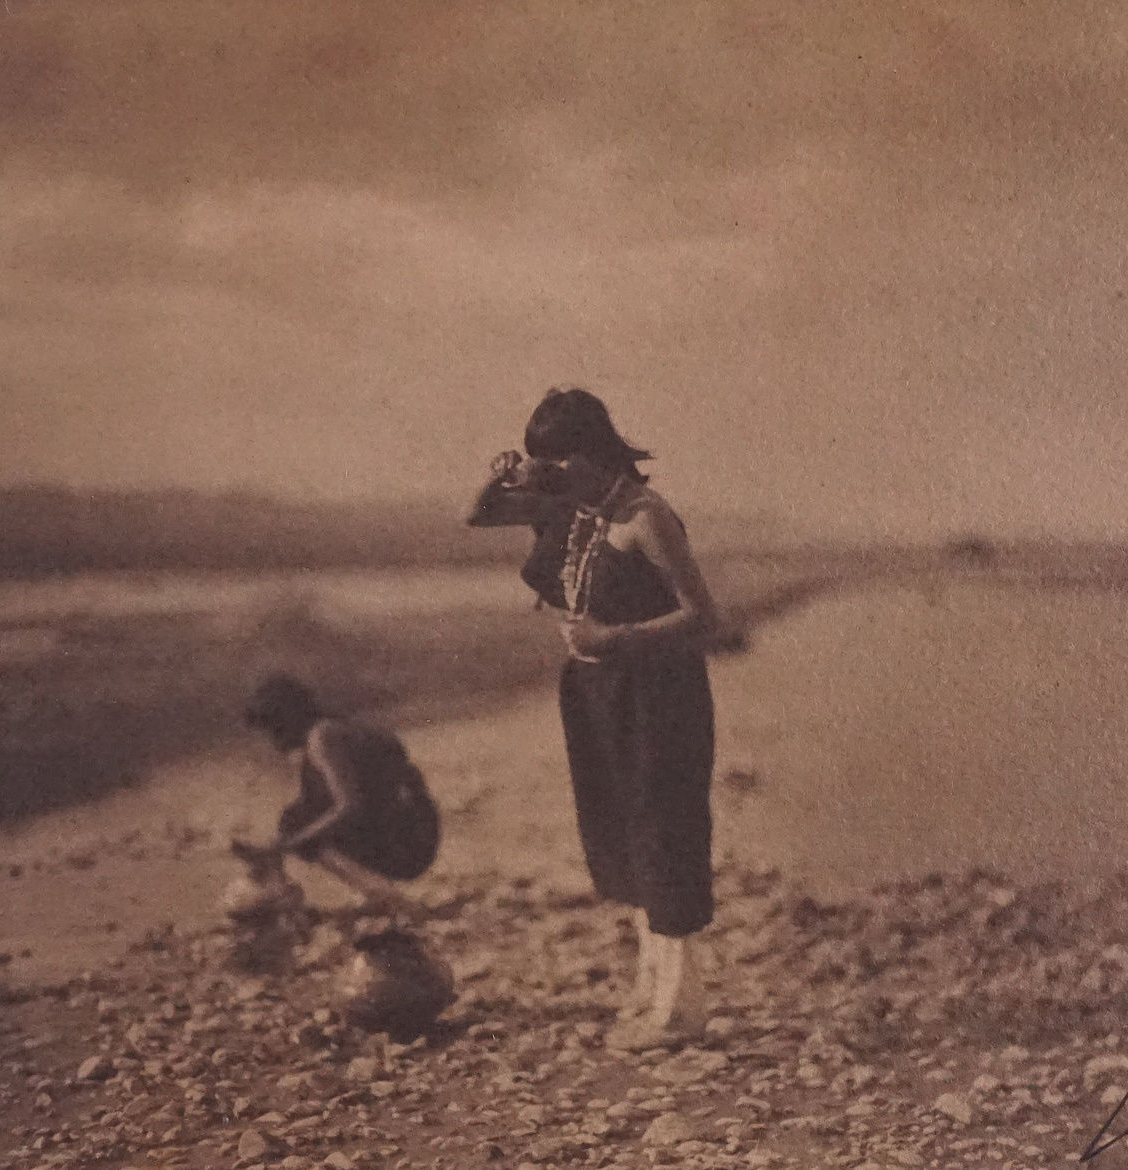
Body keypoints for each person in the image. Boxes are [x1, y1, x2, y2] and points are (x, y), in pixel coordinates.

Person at [467, 387, 743, 1050]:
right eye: (546, 467)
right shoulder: (578, 508)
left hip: (658, 693)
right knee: (620, 833)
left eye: (558, 464)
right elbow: (476, 515)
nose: (551, 478)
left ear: (592, 454)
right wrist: (500, 474)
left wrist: (610, 639)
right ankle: (654, 993)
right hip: (598, 694)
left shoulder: (645, 517)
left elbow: (704, 616)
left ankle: (680, 1011)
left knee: (662, 833)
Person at [229, 674, 440, 922]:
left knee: (297, 824)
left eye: (272, 731)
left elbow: (350, 806)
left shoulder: (322, 738)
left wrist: (290, 843)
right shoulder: (328, 731)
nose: (273, 742)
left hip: (408, 840)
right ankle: (278, 887)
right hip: (412, 828)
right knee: (298, 818)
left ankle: (386, 896)